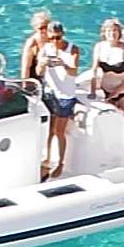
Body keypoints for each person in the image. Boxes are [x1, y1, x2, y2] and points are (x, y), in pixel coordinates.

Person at [36, 20, 80, 178]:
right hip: (50, 93)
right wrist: (42, 64)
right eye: (52, 38)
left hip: (65, 96)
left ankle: (61, 162)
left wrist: (63, 64)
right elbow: (39, 72)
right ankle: (46, 159)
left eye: (58, 37)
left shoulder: (72, 49)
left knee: (59, 131)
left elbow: (74, 73)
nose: (55, 41)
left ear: (63, 35)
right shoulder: (45, 49)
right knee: (48, 130)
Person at [90, 18, 124, 110]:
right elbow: (94, 70)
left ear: (119, 32)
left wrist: (118, 90)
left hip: (123, 92)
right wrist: (92, 91)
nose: (112, 33)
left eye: (115, 30)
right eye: (109, 30)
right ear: (104, 32)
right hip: (106, 90)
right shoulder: (99, 47)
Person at [20, 9, 52, 80]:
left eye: (46, 27)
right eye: (41, 28)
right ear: (35, 29)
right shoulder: (32, 42)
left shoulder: (54, 39)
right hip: (36, 79)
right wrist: (25, 85)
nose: (45, 30)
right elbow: (26, 68)